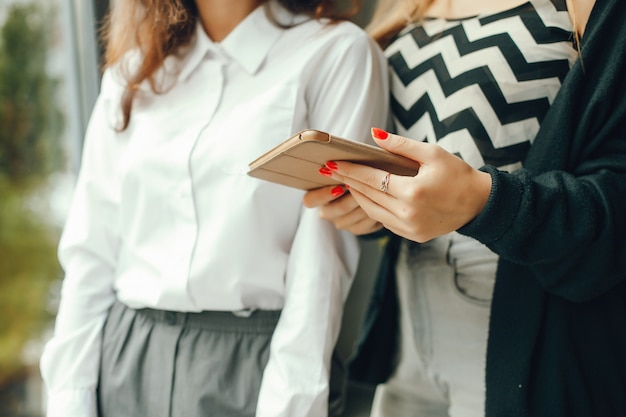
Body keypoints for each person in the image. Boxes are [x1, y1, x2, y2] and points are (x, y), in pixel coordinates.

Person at [39, 1, 389, 416]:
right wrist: (69, 399)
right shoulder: (132, 72)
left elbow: (321, 270)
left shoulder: (335, 54)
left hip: (253, 366)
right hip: (122, 357)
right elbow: (90, 255)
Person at [305, 0, 626, 415]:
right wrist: (376, 208)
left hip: (525, 342)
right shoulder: (407, 4)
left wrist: (483, 202)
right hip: (408, 336)